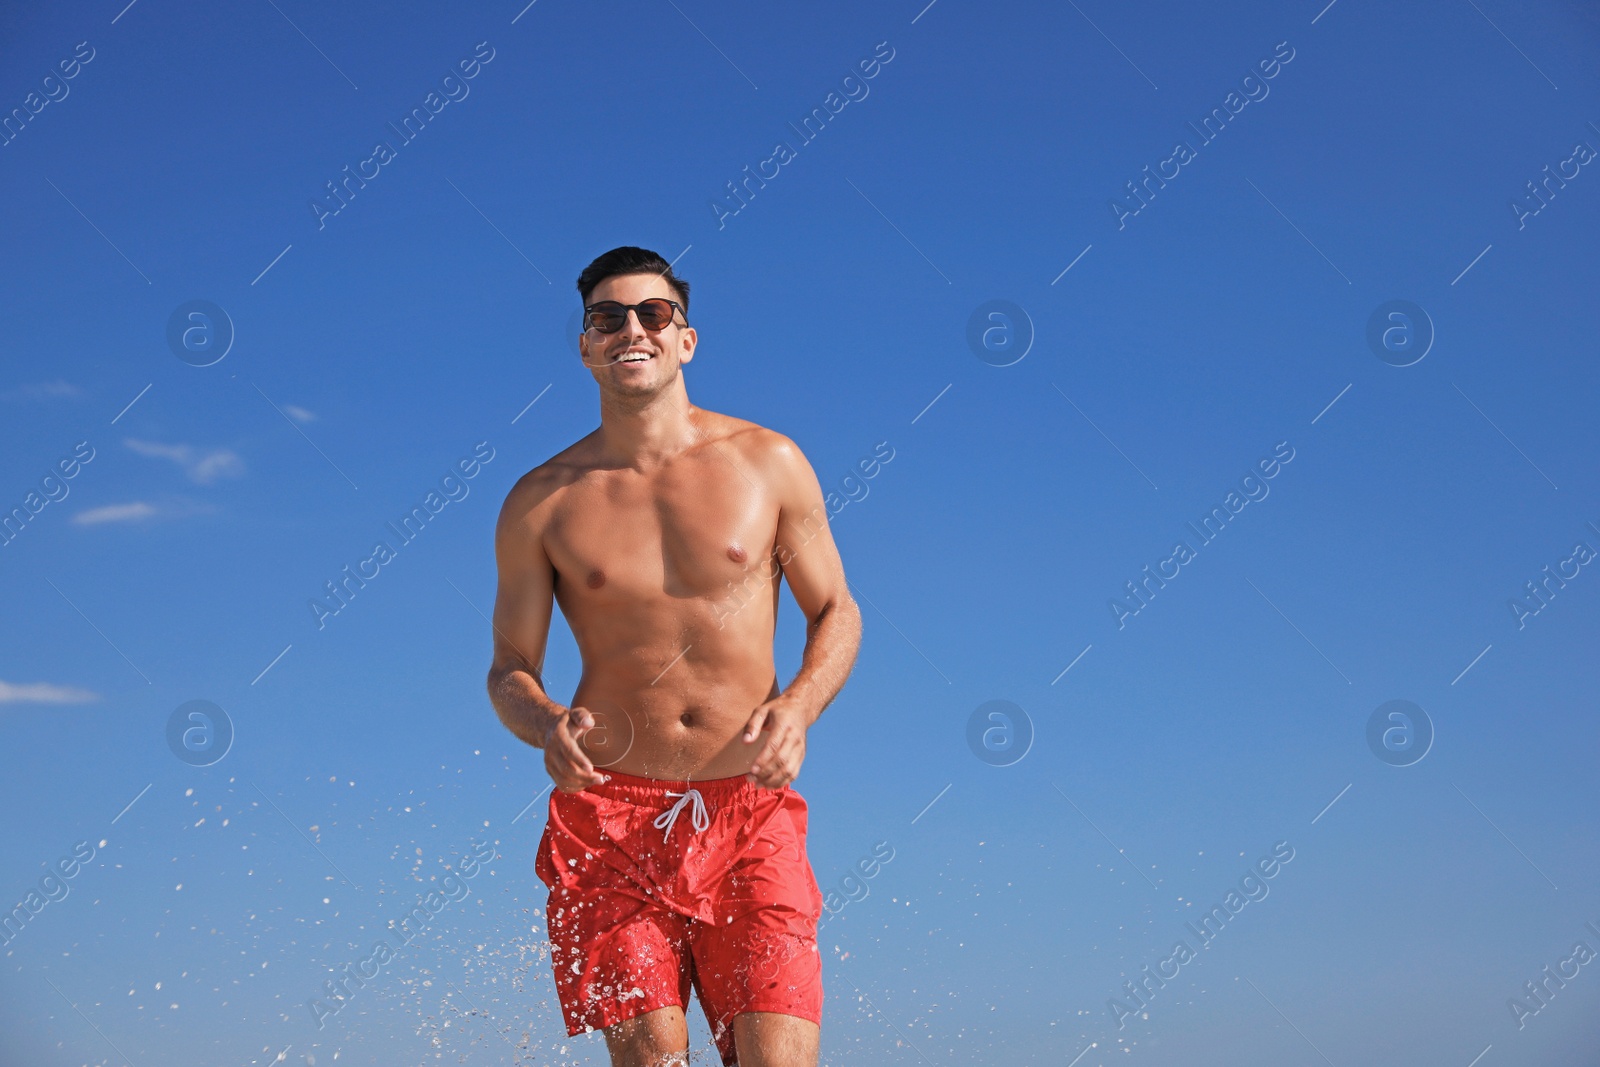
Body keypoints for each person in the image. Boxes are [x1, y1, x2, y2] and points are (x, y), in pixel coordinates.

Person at [487, 245, 862, 1067]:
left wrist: (798, 705)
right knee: (654, 1057)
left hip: (749, 811)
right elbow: (509, 664)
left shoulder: (770, 463)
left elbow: (836, 608)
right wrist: (545, 722)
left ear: (685, 339)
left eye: (653, 313)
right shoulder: (541, 500)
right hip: (610, 819)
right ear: (584, 344)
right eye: (606, 316)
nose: (632, 328)